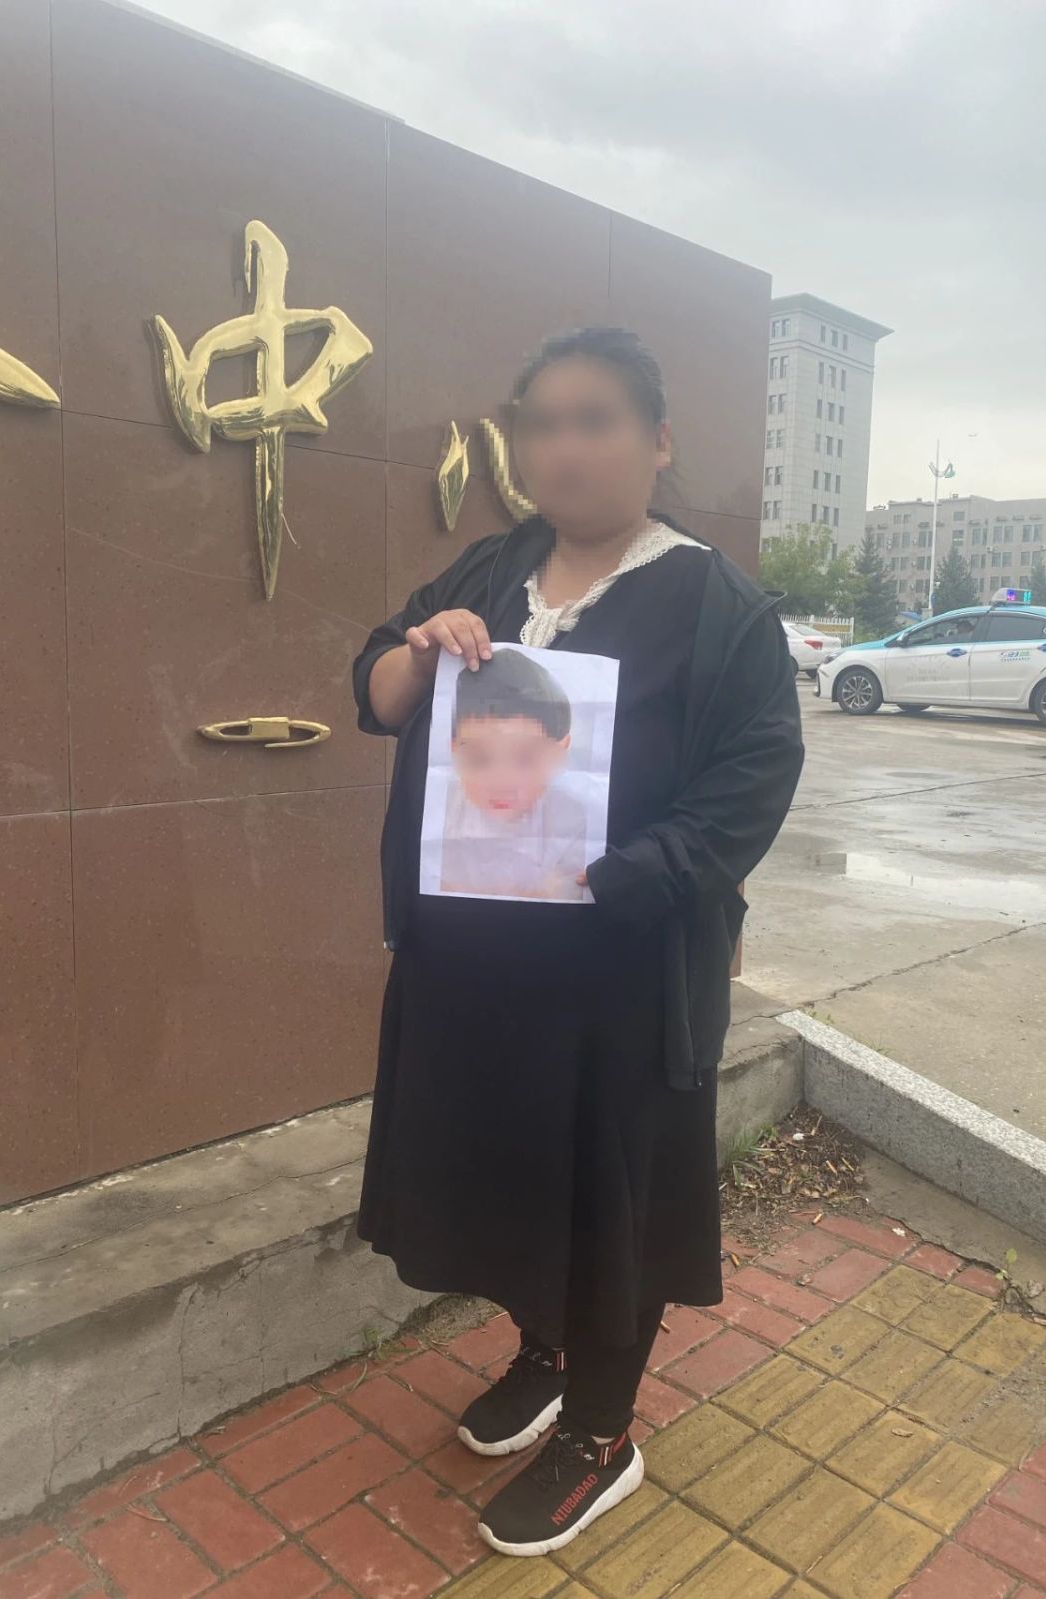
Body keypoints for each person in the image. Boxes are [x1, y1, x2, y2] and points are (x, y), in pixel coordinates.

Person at [352, 326, 804, 1558]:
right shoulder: (497, 565)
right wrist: (418, 652)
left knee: (611, 1204)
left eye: (595, 420)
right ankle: (546, 1354)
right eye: (540, 423)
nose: (563, 448)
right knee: (508, 1176)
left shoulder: (718, 605)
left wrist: (621, 878)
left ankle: (603, 1434)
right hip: (475, 969)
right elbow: (375, 691)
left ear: (656, 441)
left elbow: (751, 785)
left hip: (623, 980)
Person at [438, 647, 588, 902]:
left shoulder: (571, 818)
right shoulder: (443, 811)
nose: (501, 782)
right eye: (479, 759)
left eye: (525, 759)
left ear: (559, 752)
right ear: (454, 751)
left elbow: (570, 892)